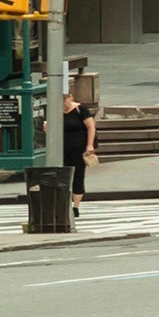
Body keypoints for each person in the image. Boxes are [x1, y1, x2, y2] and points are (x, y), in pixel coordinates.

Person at [60, 89, 95, 222]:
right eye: (62, 102)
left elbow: (91, 127)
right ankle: (67, 202)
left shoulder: (81, 109)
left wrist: (90, 145)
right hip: (63, 148)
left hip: (79, 148)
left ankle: (76, 206)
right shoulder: (56, 112)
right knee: (64, 174)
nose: (64, 104)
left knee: (78, 175)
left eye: (65, 100)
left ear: (71, 97)